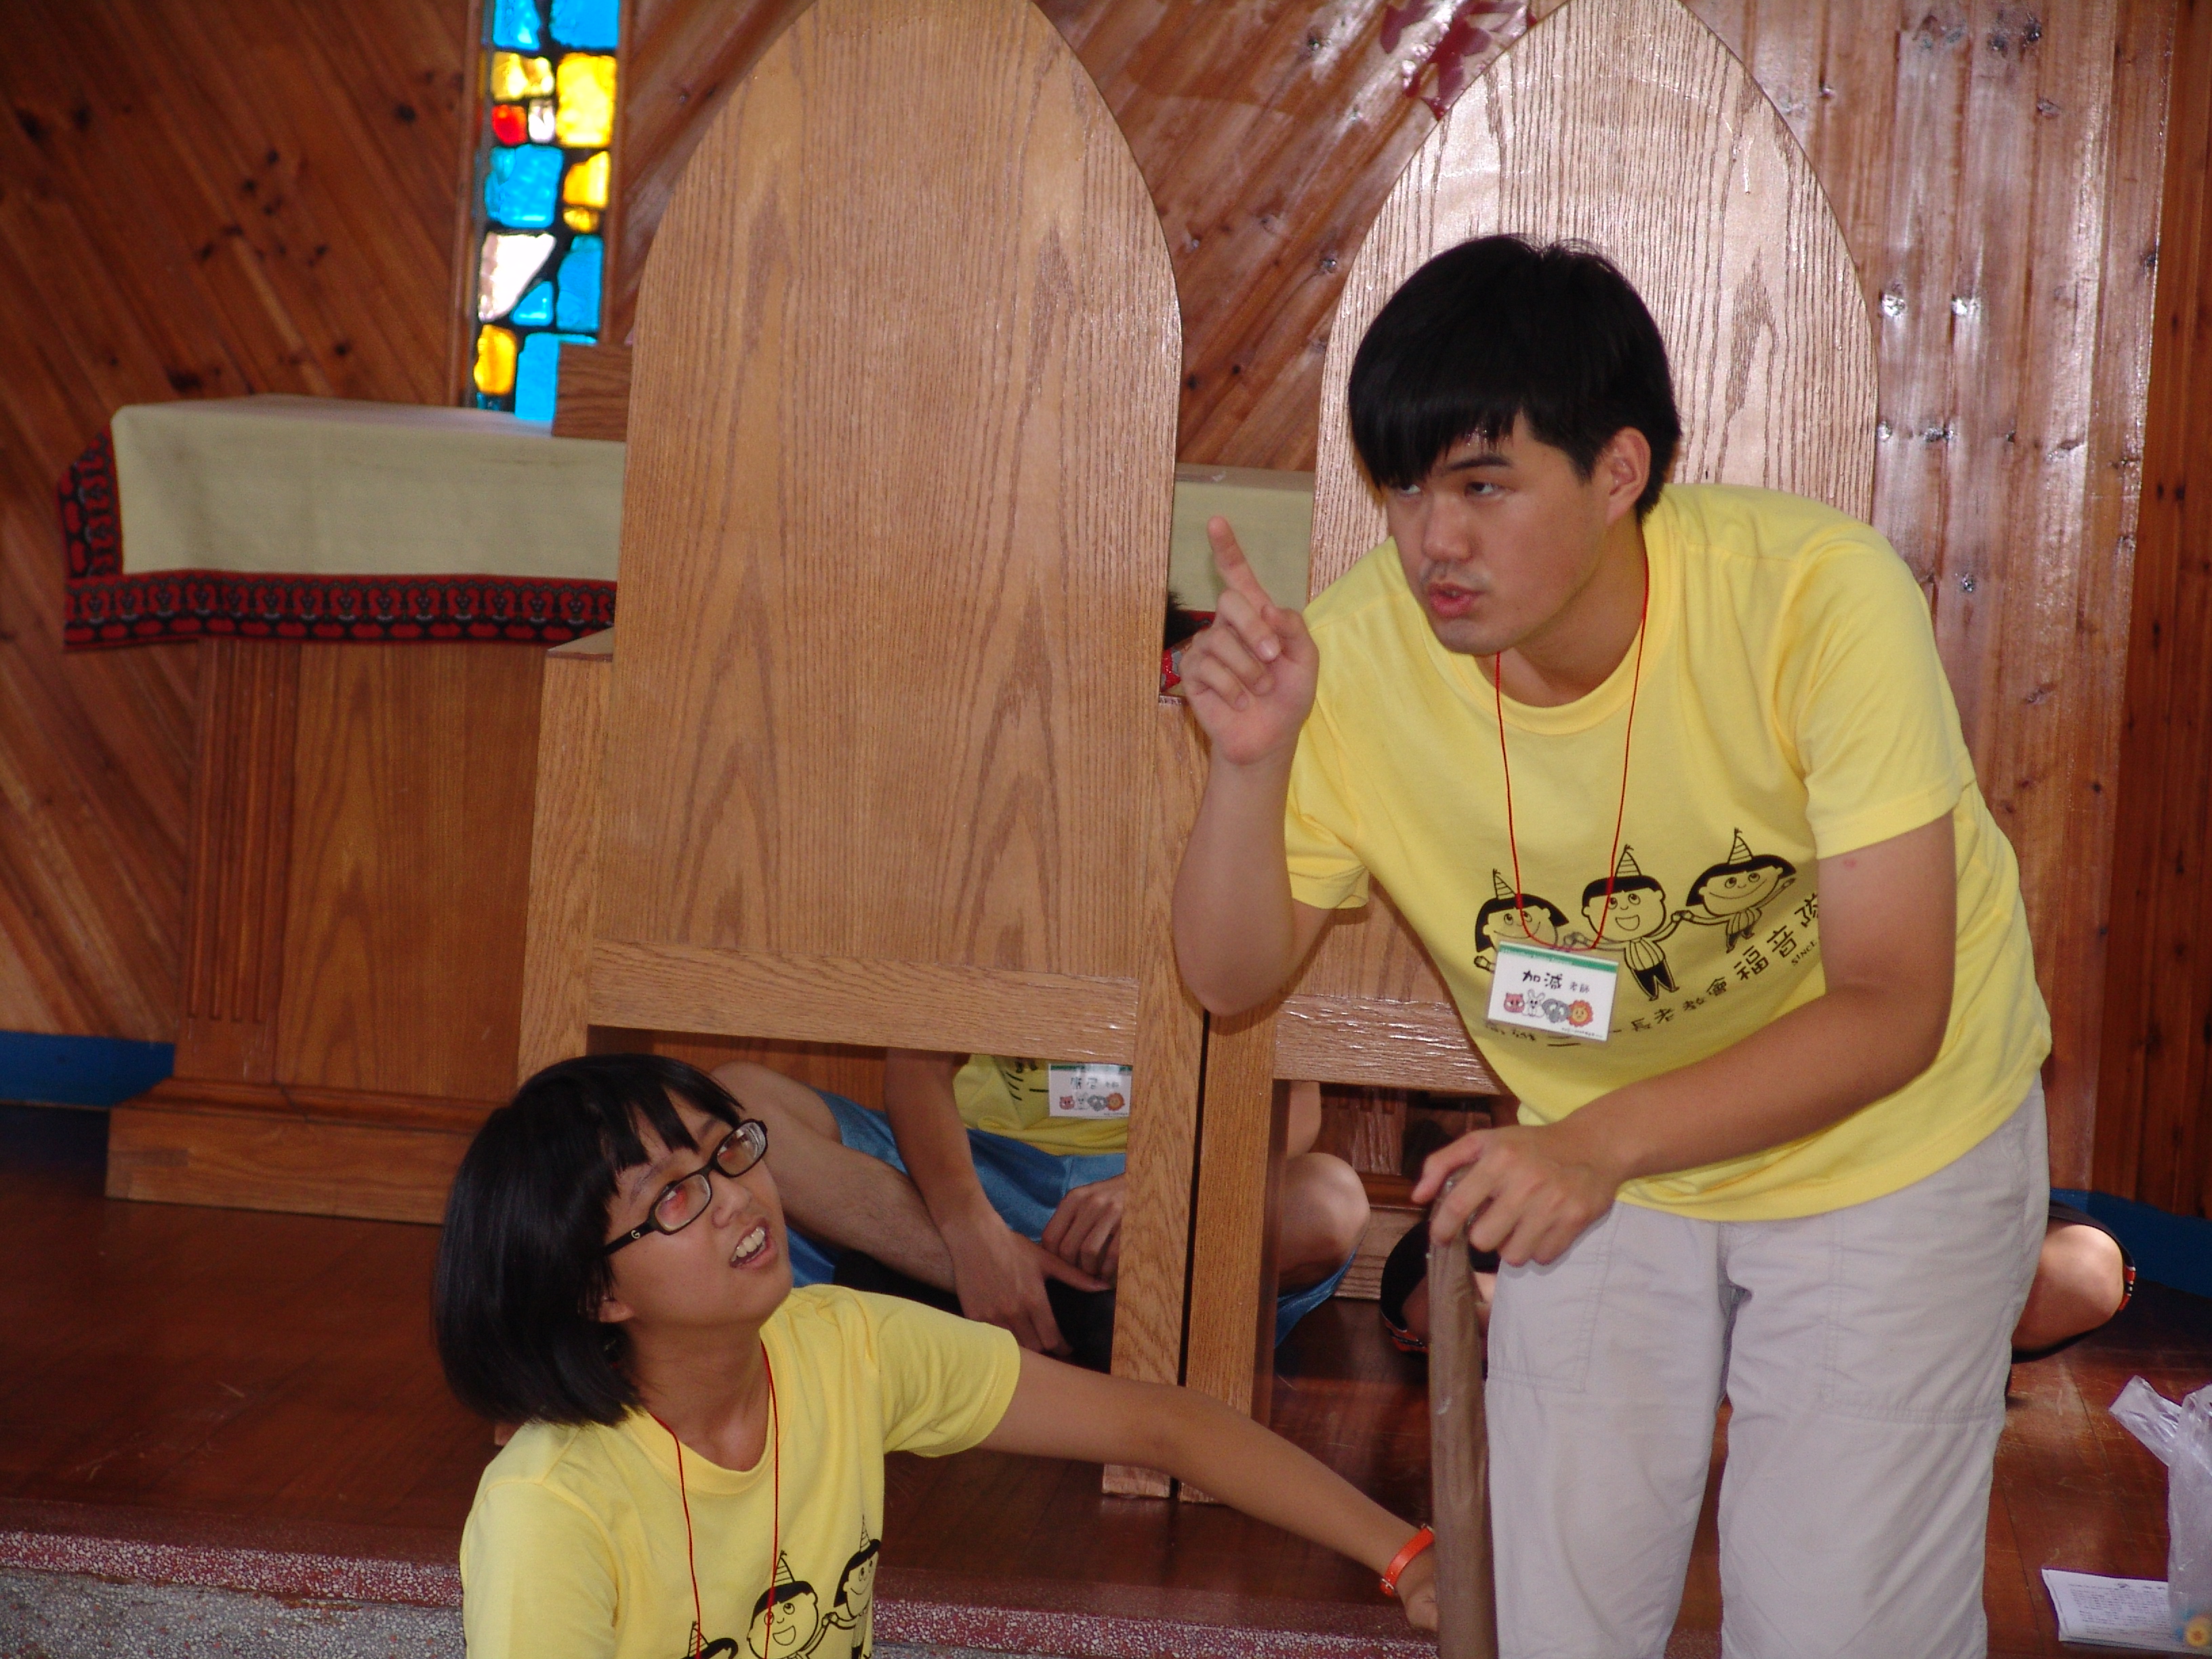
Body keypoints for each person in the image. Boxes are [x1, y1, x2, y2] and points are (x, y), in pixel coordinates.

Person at [1171, 234, 2053, 1656]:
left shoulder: (1813, 597)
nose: (1431, 542)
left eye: (1481, 485)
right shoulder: (1353, 658)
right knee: (1552, 1621)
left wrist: (1594, 1144)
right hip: (1596, 1158)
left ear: (1619, 471)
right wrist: (1247, 763)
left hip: (1886, 1145)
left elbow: (1893, 1005)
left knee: (1829, 1624)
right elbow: (1225, 978)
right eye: (1403, 490)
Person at [438, 1054, 1437, 1658]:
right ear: (597, 1293)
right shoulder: (549, 1512)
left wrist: (1407, 1554)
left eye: (727, 1151)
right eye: (674, 1196)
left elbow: (1162, 1425)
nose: (735, 1197)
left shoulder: (845, 1347)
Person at [710, 1054, 1368, 1366]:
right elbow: (917, 1070)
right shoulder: (988, 868)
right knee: (732, 1108)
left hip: (1149, 1204)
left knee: (1329, 1203)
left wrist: (1164, 1186)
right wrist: (969, 1228)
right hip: (961, 1176)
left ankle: (974, 1311)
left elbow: (1295, 1110)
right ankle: (1072, 1310)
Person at [1378, 1197, 2133, 1358]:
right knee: (1436, 1296)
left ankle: (1838, 1324)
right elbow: (1428, 1297)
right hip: (1649, 1202)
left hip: (1870, 1218)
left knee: (2087, 1273)